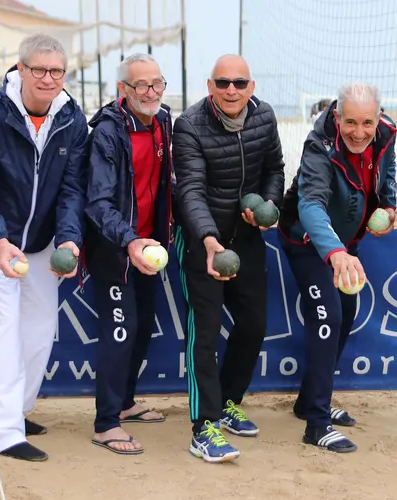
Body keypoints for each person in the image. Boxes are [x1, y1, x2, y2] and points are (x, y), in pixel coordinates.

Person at [0, 34, 87, 462]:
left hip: (41, 242)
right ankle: (4, 433)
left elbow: (72, 188)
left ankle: (16, 408)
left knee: (38, 332)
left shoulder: (72, 117)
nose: (48, 79)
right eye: (39, 70)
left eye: (56, 72)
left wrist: (69, 237)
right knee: (2, 332)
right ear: (21, 69)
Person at [172, 54, 285, 462]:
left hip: (247, 239)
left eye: (239, 82)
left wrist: (269, 202)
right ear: (210, 86)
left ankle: (229, 402)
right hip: (203, 244)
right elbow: (190, 190)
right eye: (223, 83)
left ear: (251, 87)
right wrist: (206, 237)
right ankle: (203, 428)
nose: (231, 90)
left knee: (255, 324)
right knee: (205, 332)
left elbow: (275, 167)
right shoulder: (189, 125)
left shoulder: (265, 117)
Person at [278, 82, 397, 452]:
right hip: (307, 241)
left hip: (346, 243)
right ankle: (316, 422)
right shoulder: (318, 146)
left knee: (346, 311)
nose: (359, 132)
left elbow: (387, 172)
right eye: (350, 122)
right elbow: (310, 205)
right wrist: (336, 254)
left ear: (378, 118)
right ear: (335, 117)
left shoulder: (387, 134)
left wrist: (389, 206)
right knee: (327, 317)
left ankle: (307, 401)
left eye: (367, 122)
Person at [84, 53, 173, 455]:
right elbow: (98, 202)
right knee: (119, 332)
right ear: (123, 90)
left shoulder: (165, 121)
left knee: (141, 328)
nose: (150, 92)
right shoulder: (106, 132)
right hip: (115, 248)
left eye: (157, 83)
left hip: (149, 247)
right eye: (141, 85)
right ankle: (105, 423)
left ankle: (125, 403)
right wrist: (130, 240)